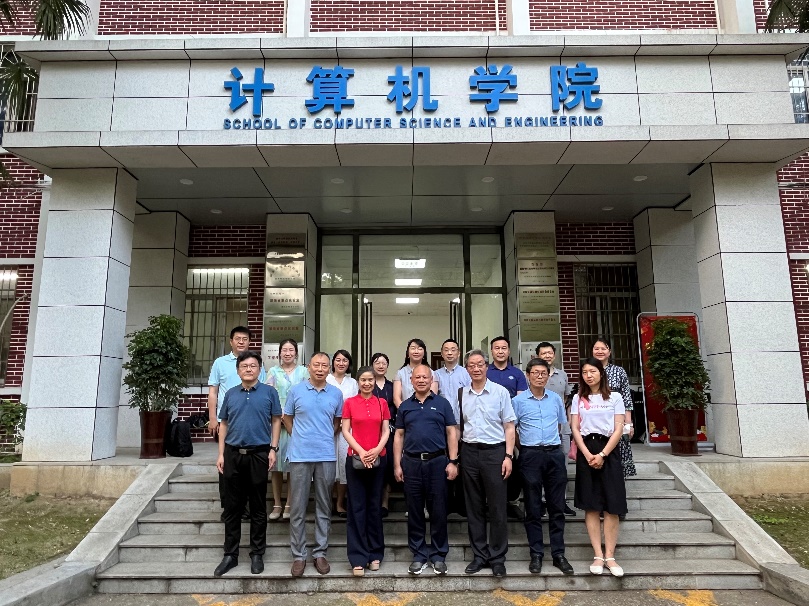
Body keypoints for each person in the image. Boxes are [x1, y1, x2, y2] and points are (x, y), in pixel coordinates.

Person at [214, 351, 281, 577]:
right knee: (232, 507)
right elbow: (224, 424)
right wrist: (221, 454)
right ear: (238, 370)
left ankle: (257, 553)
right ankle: (230, 554)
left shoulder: (269, 392)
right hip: (233, 454)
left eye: (253, 366)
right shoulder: (231, 393)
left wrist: (273, 449)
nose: (249, 369)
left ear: (260, 369)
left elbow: (276, 420)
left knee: (258, 507)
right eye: (244, 366)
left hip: (259, 454)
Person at [393, 363, 459, 576]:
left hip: (438, 462)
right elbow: (399, 436)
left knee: (439, 510)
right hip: (411, 464)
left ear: (431, 380)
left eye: (425, 377)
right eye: (417, 377)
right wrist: (397, 464)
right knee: (414, 511)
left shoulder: (442, 403)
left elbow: (451, 432)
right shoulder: (405, 406)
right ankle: (419, 555)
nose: (421, 380)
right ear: (411, 381)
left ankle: (438, 555)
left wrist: (453, 461)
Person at [512, 358, 574, 575]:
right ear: (528, 375)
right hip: (530, 456)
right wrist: (525, 448)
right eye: (535, 373)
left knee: (557, 507)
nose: (540, 376)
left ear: (548, 376)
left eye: (543, 373)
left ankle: (558, 554)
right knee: (533, 507)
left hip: (554, 454)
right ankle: (536, 554)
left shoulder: (555, 399)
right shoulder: (518, 401)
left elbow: (559, 425)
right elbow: (512, 430)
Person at [284, 352, 344, 578]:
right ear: (308, 367)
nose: (320, 369)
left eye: (324, 366)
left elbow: (337, 422)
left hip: (326, 455)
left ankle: (320, 553)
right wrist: (299, 436)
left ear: (329, 369)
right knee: (297, 507)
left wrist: (324, 436)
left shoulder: (336, 393)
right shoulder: (296, 391)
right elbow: (287, 417)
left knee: (324, 505)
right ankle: (299, 555)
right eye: (316, 365)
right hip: (300, 455)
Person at [460, 348, 516, 578]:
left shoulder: (500, 392)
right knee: (474, 507)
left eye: (480, 364)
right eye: (471, 365)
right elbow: (458, 426)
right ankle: (479, 555)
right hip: (469, 452)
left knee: (497, 507)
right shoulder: (462, 393)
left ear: (486, 366)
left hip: (495, 453)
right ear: (467, 369)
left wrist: (508, 456)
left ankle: (497, 557)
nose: (476, 369)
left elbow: (509, 426)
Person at [571, 357, 627, 578]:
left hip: (609, 450)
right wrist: (587, 454)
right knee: (591, 505)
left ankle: (610, 556)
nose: (589, 375)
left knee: (612, 505)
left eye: (592, 371)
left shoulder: (615, 397)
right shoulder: (578, 397)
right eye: (585, 372)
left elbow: (619, 427)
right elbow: (575, 428)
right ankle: (597, 554)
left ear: (601, 373)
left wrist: (603, 454)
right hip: (586, 449)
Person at [207, 326, 267, 515]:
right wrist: (212, 418)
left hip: (251, 422)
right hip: (227, 421)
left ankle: (247, 507)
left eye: (245, 339)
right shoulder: (220, 363)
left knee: (249, 467)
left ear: (250, 342)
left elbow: (262, 389)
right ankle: (229, 508)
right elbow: (213, 392)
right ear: (231, 341)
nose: (241, 342)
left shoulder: (256, 364)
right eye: (238, 338)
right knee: (226, 465)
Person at [341, 366, 391, 576]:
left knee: (374, 506)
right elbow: (345, 430)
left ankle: (375, 553)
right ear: (358, 382)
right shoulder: (350, 402)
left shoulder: (382, 403)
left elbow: (386, 430)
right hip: (356, 460)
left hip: (378, 459)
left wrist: (377, 450)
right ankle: (358, 557)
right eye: (363, 380)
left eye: (370, 380)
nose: (367, 383)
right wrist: (361, 452)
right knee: (356, 508)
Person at [266, 338, 308, 521]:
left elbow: (306, 395)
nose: (288, 353)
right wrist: (279, 415)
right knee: (275, 465)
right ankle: (277, 503)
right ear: (280, 353)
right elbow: (269, 395)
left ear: (296, 353)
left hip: (297, 423)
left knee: (293, 465)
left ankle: (290, 503)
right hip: (276, 422)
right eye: (284, 350)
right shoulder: (273, 372)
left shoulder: (304, 372)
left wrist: (291, 416)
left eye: (291, 350)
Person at [485, 336, 527, 521]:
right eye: (497, 348)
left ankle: (513, 502)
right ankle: (489, 502)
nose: (500, 351)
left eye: (504, 348)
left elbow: (520, 401)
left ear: (509, 351)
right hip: (489, 427)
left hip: (512, 426)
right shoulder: (486, 372)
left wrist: (513, 425)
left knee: (515, 464)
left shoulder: (517, 374)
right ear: (491, 351)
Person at [535, 341, 576, 517]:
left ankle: (561, 501)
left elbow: (566, 400)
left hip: (562, 427)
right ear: (537, 356)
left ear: (554, 354)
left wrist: (569, 423)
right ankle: (543, 501)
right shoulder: (533, 375)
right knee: (542, 465)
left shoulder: (562, 375)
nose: (547, 356)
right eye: (543, 353)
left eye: (550, 353)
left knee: (562, 465)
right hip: (542, 427)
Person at [434, 338, 471, 516]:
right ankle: (446, 504)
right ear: (442, 353)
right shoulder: (435, 375)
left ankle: (462, 505)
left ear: (458, 353)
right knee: (445, 464)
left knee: (463, 465)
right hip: (441, 427)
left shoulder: (466, 373)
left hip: (462, 425)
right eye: (446, 350)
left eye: (453, 349)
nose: (449, 353)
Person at [592, 338, 637, 479]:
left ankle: (617, 484)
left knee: (618, 450)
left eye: (603, 348)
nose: (600, 351)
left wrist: (628, 423)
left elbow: (626, 398)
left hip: (616, 419)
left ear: (609, 352)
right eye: (596, 348)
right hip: (594, 420)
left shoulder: (619, 371)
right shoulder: (588, 370)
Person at [327, 349, 359, 517]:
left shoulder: (352, 382)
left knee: (344, 466)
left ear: (349, 364)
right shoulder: (326, 379)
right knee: (328, 465)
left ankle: (340, 503)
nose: (341, 363)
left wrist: (343, 424)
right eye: (338, 360)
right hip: (326, 429)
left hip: (347, 430)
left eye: (345, 360)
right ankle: (328, 502)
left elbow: (355, 405)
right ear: (333, 362)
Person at [371, 352, 397, 516]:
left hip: (390, 431)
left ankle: (384, 502)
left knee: (387, 466)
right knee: (374, 466)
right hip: (371, 430)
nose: (380, 366)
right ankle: (373, 501)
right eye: (377, 362)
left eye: (384, 363)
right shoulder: (367, 384)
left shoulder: (392, 386)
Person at [393, 338, 438, 407]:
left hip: (427, 411)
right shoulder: (400, 373)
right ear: (408, 353)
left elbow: (433, 397)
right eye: (413, 348)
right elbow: (396, 399)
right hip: (406, 411)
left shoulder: (432, 373)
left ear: (424, 354)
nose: (416, 351)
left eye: (420, 349)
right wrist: (405, 411)